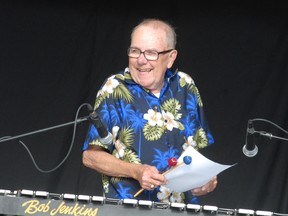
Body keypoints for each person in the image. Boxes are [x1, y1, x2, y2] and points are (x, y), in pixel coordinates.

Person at [82, 18, 217, 204]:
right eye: (135, 51)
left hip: (182, 209)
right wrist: (136, 171)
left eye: (151, 53)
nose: (141, 60)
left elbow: (197, 152)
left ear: (170, 58)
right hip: (127, 209)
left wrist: (206, 179)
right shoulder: (114, 89)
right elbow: (90, 157)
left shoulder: (186, 86)